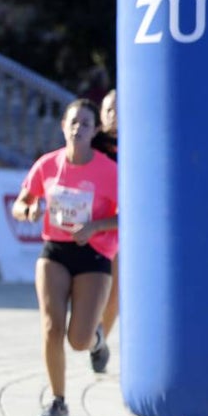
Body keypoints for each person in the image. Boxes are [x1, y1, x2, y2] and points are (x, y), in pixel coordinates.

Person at [12, 98, 117, 416]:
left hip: (94, 253)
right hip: (55, 251)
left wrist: (96, 226)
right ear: (62, 126)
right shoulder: (47, 164)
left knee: (78, 339)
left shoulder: (108, 170)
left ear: (94, 129)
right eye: (72, 122)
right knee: (50, 326)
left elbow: (132, 214)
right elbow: (22, 201)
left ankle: (97, 341)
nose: (77, 129)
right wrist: (28, 211)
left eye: (85, 124)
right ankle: (58, 401)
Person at [92, 88, 118, 373]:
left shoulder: (139, 137)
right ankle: (91, 333)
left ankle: (99, 341)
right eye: (109, 109)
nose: (114, 115)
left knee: (114, 291)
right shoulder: (92, 142)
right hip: (93, 223)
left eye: (119, 109)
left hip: (120, 228)